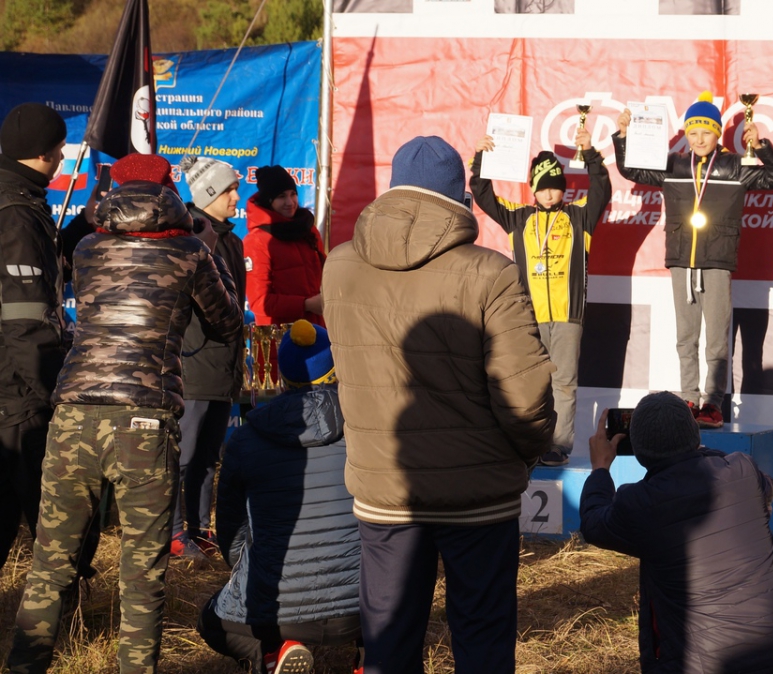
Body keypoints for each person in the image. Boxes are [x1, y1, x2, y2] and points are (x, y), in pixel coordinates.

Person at [323, 136, 555, 673]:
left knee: (388, 636)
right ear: (461, 198)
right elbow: (524, 393)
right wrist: (527, 453)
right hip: (477, 494)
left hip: (386, 490)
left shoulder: (339, 267)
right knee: (482, 637)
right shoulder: (490, 272)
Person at [5, 155, 244, 674]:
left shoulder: (89, 247)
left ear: (114, 189)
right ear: (169, 192)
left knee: (49, 563)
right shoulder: (191, 252)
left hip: (73, 413)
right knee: (142, 572)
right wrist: (205, 247)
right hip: (145, 420)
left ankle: (25, 666)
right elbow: (228, 324)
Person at [579, 391, 773, 673]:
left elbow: (593, 524)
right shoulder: (742, 469)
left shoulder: (637, 503)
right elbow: (765, 489)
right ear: (695, 436)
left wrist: (600, 469)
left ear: (637, 449)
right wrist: (697, 451)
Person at [613, 91, 773, 428]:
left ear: (717, 133)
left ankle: (713, 403)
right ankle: (689, 399)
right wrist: (623, 137)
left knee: (716, 338)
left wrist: (762, 146)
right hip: (681, 259)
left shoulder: (736, 165)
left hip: (718, 260)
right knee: (685, 336)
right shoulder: (673, 164)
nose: (698, 139)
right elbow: (630, 170)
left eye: (705, 132)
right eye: (692, 133)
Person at [198, 320, 361, 674]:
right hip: (367, 606)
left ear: (283, 376)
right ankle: (373, 657)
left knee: (211, 622)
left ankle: (271, 655)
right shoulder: (367, 426)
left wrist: (253, 567)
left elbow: (231, 532)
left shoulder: (245, 439)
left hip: (276, 613)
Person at [469, 124, 612, 466]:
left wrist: (591, 154)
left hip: (567, 316)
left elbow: (602, 190)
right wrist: (481, 159)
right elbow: (482, 193)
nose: (549, 195)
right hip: (529, 316)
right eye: (543, 189)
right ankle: (528, 442)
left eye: (555, 188)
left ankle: (558, 447)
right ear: (533, 189)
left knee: (563, 383)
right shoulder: (518, 217)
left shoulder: (579, 218)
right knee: (531, 383)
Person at [0, 103, 67, 572]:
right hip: (18, 395)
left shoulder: (20, 202)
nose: (63, 159)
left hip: (12, 390)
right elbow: (24, 321)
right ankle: (61, 624)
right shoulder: (17, 216)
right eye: (60, 150)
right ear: (45, 153)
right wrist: (56, 394)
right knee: (56, 528)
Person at [176, 153, 249, 559]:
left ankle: (201, 530)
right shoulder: (189, 238)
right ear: (209, 193)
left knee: (207, 458)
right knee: (183, 456)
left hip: (225, 365)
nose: (237, 196)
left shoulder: (231, 239)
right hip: (195, 363)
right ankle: (172, 534)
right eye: (230, 190)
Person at [244, 165, 325, 328]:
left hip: (317, 330)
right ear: (269, 201)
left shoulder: (307, 229)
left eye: (293, 194)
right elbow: (260, 301)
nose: (290, 202)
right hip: (280, 338)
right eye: (281, 196)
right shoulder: (257, 241)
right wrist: (306, 304)